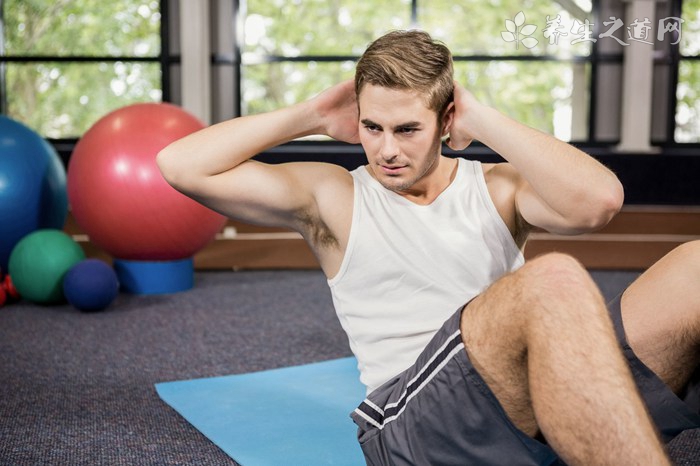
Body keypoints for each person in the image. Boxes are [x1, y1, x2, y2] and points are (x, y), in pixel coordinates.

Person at [157, 30, 700, 465]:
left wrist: (481, 119)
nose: (386, 150)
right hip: (410, 424)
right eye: (372, 127)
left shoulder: (495, 188)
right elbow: (180, 166)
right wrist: (312, 116)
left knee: (695, 267)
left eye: (407, 129)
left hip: (529, 400)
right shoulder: (334, 197)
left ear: (445, 122)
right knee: (552, 280)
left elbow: (599, 202)